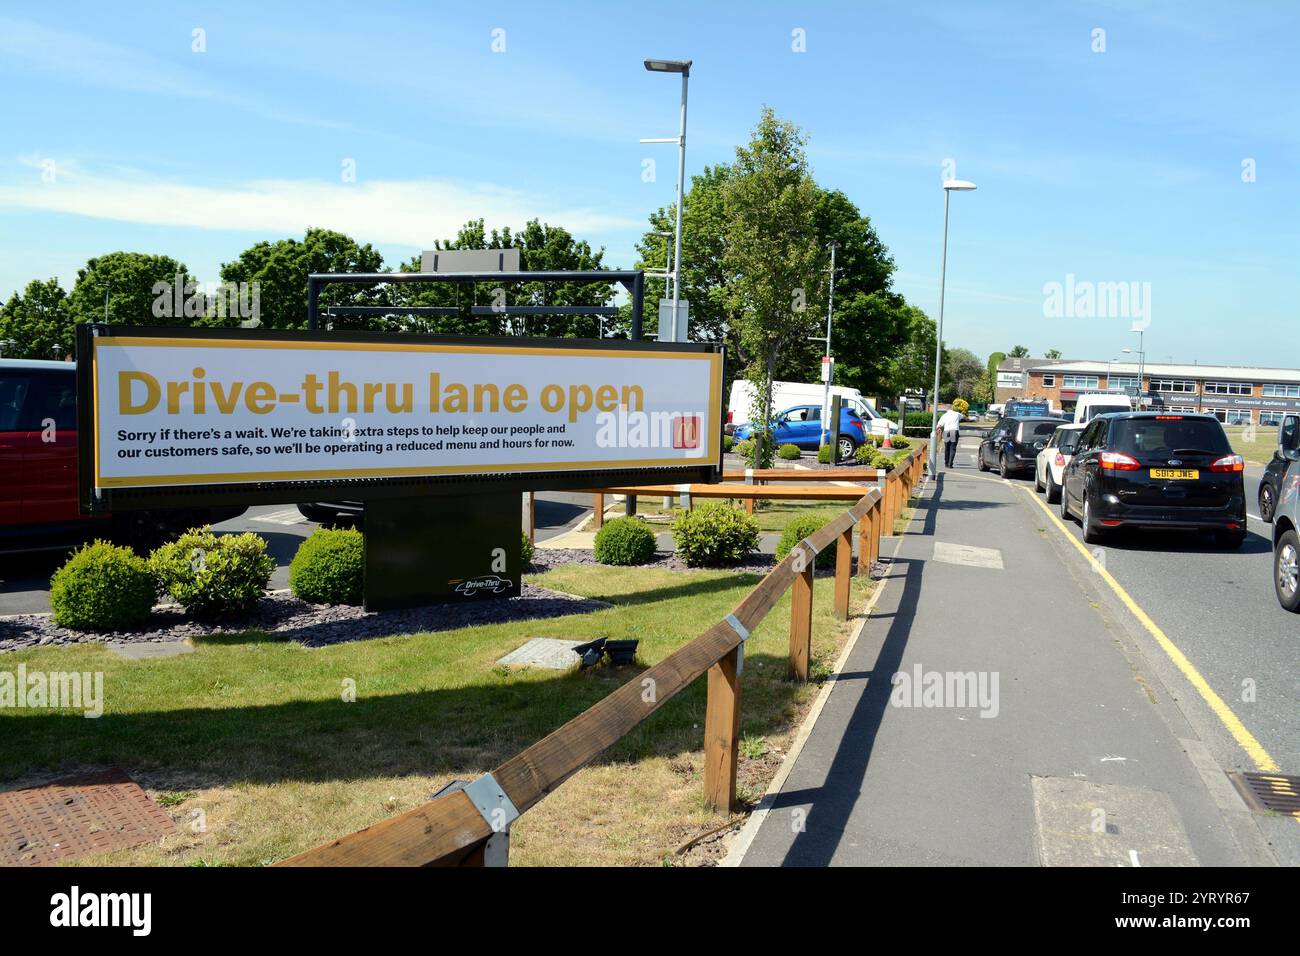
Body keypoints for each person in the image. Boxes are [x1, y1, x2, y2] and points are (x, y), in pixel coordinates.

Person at [935, 404, 964, 469]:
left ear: (946, 409)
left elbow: (939, 425)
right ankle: (950, 463)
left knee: (947, 448)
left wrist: (936, 430)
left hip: (947, 432)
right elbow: (962, 416)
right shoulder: (957, 414)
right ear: (952, 408)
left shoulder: (944, 415)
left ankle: (946, 463)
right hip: (954, 431)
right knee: (953, 448)